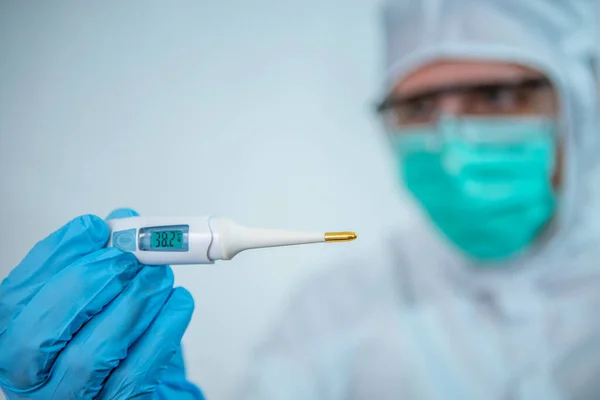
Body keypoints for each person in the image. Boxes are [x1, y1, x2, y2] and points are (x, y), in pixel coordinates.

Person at [1, 0, 599, 399]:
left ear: (578, 106)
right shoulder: (332, 312)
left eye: (495, 97)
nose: (450, 141)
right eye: (418, 108)